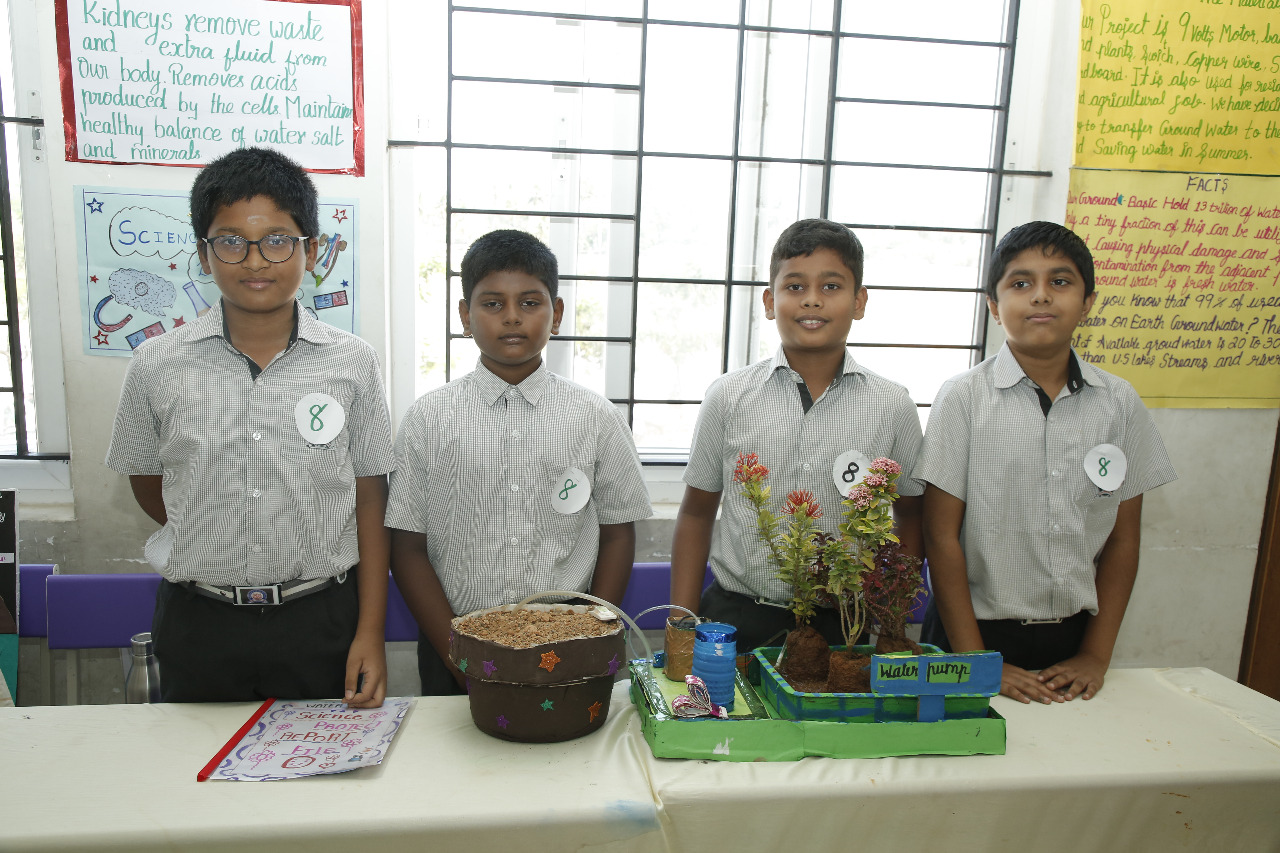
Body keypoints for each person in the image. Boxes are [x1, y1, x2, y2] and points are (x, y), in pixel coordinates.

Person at [106, 147, 393, 707]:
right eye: (232, 241)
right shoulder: (155, 364)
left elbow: (368, 496)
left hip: (321, 620)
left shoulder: (353, 362)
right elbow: (149, 482)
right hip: (199, 623)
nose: (256, 260)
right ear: (203, 253)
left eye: (278, 240)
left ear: (311, 250)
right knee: (199, 761)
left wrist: (370, 632)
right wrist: (215, 532)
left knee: (322, 762)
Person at [918, 221, 1176, 704]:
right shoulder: (963, 397)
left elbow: (1123, 539)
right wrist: (976, 660)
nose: (1040, 295)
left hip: (1072, 644)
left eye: (1059, 281)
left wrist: (1095, 655)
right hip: (969, 637)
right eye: (1021, 283)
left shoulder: (1118, 402)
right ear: (994, 306)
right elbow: (940, 537)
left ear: (1088, 301)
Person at [386, 229, 652, 695]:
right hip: (454, 639)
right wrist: (456, 652)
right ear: (465, 316)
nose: (512, 317)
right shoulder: (428, 418)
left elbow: (617, 534)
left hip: (568, 642)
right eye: (492, 303)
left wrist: (591, 635)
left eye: (530, 302)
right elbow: (407, 548)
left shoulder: (596, 417)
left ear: (556, 314)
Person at [670, 218, 925, 652]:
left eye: (831, 286)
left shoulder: (893, 405)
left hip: (843, 626)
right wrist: (681, 624)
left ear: (859, 301)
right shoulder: (728, 396)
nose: (811, 299)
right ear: (770, 301)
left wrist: (892, 626)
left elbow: (912, 518)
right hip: (735, 616)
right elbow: (696, 514)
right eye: (794, 286)